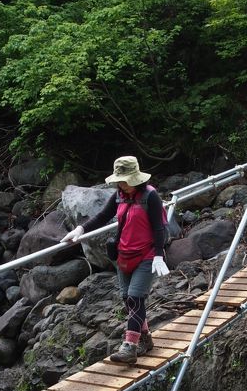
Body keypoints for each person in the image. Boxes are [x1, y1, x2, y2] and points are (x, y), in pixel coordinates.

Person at [62, 155, 169, 364]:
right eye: (119, 180)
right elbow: (102, 216)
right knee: (128, 299)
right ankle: (145, 339)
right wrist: (80, 229)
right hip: (124, 255)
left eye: (124, 180)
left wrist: (158, 254)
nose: (121, 184)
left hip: (146, 255)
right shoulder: (119, 196)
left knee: (135, 297)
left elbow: (159, 227)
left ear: (136, 178)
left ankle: (130, 346)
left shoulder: (150, 196)